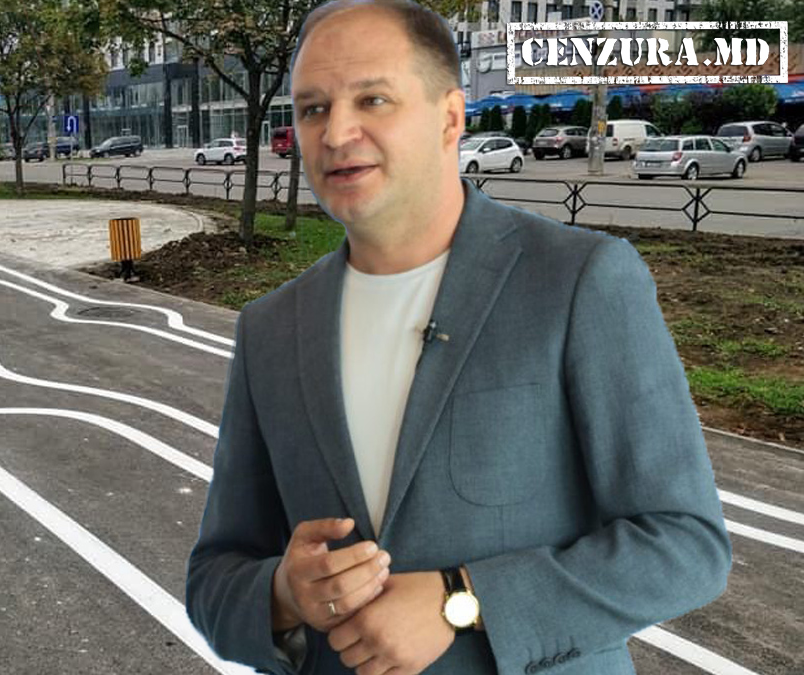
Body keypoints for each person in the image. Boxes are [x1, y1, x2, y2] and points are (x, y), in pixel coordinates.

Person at [185, 2, 732, 675]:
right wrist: (284, 593)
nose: (336, 132)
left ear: (450, 118)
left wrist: (462, 600)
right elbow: (214, 578)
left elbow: (685, 544)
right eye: (312, 108)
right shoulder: (269, 327)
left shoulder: (580, 280)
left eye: (372, 99)